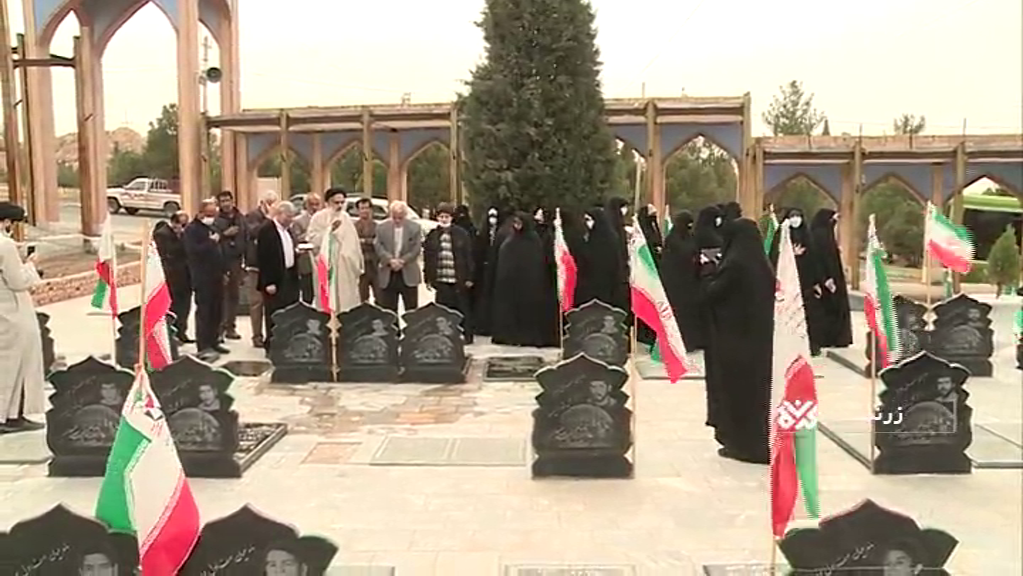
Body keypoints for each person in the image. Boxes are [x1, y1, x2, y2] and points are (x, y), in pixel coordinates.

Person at [701, 218, 774, 464]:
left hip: (736, 344)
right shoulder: (762, 265)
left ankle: (742, 446)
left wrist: (708, 270)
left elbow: (712, 295)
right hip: (760, 344)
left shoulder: (734, 265)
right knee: (758, 397)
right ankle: (760, 443)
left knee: (739, 396)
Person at [0, 201, 46, 434]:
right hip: (11, 312)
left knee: (8, 365)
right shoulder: (5, 245)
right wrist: (30, 266)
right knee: (12, 366)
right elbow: (17, 281)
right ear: (6, 222)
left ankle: (12, 414)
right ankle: (6, 416)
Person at [491, 212, 552, 347]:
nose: (517, 225)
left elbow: (537, 263)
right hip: (511, 285)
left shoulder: (533, 240)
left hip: (529, 285)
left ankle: (527, 337)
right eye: (515, 223)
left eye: (519, 223)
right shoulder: (510, 240)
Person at [770, 208, 826, 356]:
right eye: (792, 216)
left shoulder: (807, 237)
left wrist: (816, 282)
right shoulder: (781, 236)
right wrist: (790, 254)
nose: (795, 219)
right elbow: (773, 257)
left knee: (808, 314)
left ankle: (810, 345)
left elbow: (814, 261)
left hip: (805, 284)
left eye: (798, 216)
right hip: (786, 283)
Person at [184, 199, 229, 361]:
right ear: (201, 213)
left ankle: (214, 340)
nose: (212, 217)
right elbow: (192, 251)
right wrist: (210, 242)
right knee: (205, 311)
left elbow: (220, 251)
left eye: (214, 214)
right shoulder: (192, 230)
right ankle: (203, 345)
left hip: (217, 274)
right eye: (209, 214)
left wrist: (224, 271)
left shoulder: (213, 227)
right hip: (202, 276)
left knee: (217, 310)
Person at [423, 203, 475, 343]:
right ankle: (444, 335)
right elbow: (428, 257)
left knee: (462, 308)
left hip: (459, 278)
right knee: (442, 310)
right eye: (441, 216)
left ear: (451, 218)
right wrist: (427, 277)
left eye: (446, 216)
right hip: (441, 278)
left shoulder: (461, 234)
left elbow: (468, 256)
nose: (444, 219)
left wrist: (470, 277)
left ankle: (467, 335)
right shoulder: (433, 235)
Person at [307, 188, 363, 314]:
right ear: (327, 203)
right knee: (327, 304)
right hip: (326, 268)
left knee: (345, 303)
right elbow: (313, 240)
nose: (339, 206)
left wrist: (352, 260)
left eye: (342, 203)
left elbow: (354, 244)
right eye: (336, 202)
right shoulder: (318, 218)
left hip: (345, 267)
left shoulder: (346, 218)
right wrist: (329, 230)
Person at [257, 201, 301, 352]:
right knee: (274, 313)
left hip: (289, 275)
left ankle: (286, 342)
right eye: (288, 216)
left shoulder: (288, 230)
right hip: (274, 279)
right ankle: (272, 344)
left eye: (292, 217)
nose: (291, 219)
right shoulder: (267, 230)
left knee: (289, 310)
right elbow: (263, 258)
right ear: (279, 214)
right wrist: (268, 282)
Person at [565, 207, 628, 312]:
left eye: (589, 220)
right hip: (591, 284)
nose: (588, 223)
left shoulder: (609, 238)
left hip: (606, 283)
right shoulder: (592, 237)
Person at [660, 210, 704, 351]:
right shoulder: (672, 240)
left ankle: (690, 342)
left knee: (689, 315)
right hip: (675, 285)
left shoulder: (690, 237)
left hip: (690, 283)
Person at [811, 208, 853, 349]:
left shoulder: (821, 234)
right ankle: (834, 337)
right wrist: (827, 279)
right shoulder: (821, 236)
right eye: (833, 220)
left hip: (829, 278)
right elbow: (823, 259)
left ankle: (829, 337)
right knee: (832, 308)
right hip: (829, 280)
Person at [243, 191, 279, 348]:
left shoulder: (276, 217)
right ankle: (256, 336)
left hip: (270, 266)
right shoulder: (252, 216)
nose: (271, 205)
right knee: (256, 303)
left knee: (271, 302)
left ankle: (273, 334)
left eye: (274, 202)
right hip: (255, 266)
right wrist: (268, 218)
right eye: (269, 202)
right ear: (262, 202)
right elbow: (254, 232)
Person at [374, 200, 422, 314]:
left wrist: (402, 261)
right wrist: (390, 260)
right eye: (394, 217)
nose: (397, 220)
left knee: (411, 310)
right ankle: (394, 331)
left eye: (400, 218)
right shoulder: (381, 227)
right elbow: (378, 245)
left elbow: (416, 248)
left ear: (405, 215)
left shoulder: (415, 227)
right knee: (389, 310)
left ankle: (411, 331)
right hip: (388, 272)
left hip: (408, 272)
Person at [153, 211, 193, 343]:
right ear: (174, 222)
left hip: (185, 276)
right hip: (171, 276)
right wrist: (180, 236)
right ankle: (171, 334)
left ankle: (182, 332)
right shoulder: (163, 234)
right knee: (172, 307)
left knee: (185, 306)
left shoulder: (184, 234)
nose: (183, 227)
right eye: (181, 224)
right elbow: (170, 251)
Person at [214, 190, 246, 341]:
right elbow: (212, 241)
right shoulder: (216, 220)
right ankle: (219, 329)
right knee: (221, 296)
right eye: (223, 201)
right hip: (221, 261)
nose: (226, 204)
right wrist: (225, 234)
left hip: (237, 261)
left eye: (228, 200)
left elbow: (246, 237)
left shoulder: (240, 218)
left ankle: (230, 327)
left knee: (234, 295)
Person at [472, 206, 503, 336]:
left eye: (495, 217)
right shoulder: (482, 233)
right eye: (490, 216)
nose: (492, 220)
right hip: (483, 270)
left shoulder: (501, 233)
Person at [290, 192, 322, 304]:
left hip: (321, 260)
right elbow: (296, 239)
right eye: (311, 204)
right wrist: (310, 233)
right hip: (306, 262)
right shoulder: (298, 221)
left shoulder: (323, 219)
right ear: (306, 205)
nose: (314, 207)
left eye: (317, 204)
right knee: (307, 293)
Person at [352, 197, 379, 302]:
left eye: (367, 208)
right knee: (362, 296)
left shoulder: (377, 226)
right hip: (360, 265)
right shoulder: (354, 227)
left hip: (375, 264)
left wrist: (363, 241)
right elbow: (353, 243)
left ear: (371, 210)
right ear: (358, 210)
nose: (364, 211)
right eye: (362, 208)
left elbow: (377, 242)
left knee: (380, 295)